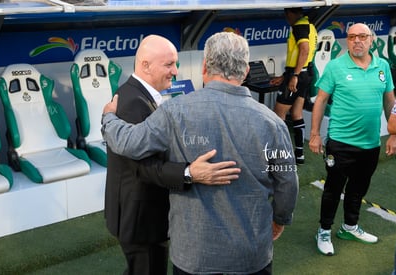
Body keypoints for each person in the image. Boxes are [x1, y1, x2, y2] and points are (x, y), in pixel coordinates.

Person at [102, 31, 299, 274]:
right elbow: (288, 183)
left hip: (193, 256)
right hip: (251, 255)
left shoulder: (175, 111)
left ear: (205, 67)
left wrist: (109, 117)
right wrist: (280, 219)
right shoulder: (274, 124)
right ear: (246, 71)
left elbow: (128, 142)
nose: (174, 70)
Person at [105, 34, 241, 275]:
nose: (176, 71)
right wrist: (190, 173)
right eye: (169, 64)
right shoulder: (133, 102)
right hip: (140, 220)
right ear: (145, 65)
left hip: (142, 216)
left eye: (175, 63)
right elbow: (145, 167)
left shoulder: (136, 94)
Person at [309, 23, 396, 256]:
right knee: (333, 189)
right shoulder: (336, 67)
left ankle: (350, 226)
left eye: (362, 36)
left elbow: (390, 101)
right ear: (346, 41)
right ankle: (324, 230)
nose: (356, 41)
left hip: (371, 144)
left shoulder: (383, 66)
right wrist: (316, 134)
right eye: (351, 37)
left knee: (359, 188)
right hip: (340, 143)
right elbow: (320, 101)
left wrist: (394, 135)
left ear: (371, 40)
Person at [271, 7, 317, 165]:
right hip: (305, 73)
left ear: (290, 13)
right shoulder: (310, 25)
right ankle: (299, 154)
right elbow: (299, 55)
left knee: (278, 114)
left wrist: (294, 76)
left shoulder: (299, 26)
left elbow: (304, 50)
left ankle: (281, 155)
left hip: (298, 75)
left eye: (286, 15)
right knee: (297, 113)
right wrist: (285, 75)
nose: (287, 18)